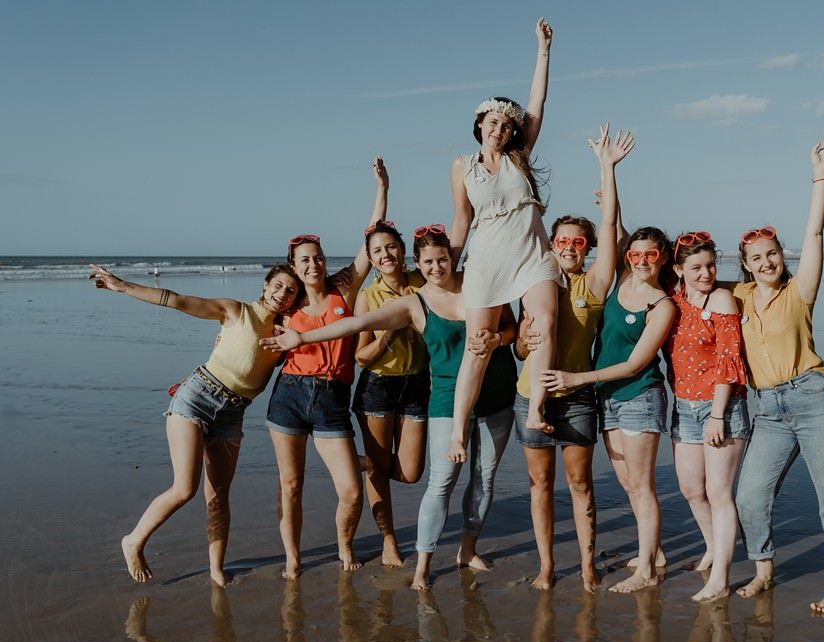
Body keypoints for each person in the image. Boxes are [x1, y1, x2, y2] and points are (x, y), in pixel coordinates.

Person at [260, 228, 517, 591]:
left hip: (474, 394)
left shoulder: (474, 285)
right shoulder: (411, 300)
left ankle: (467, 549)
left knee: (473, 477)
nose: (436, 266)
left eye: (442, 259)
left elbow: (510, 324)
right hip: (422, 394)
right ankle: (418, 563)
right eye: (428, 261)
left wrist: (500, 338)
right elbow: (357, 324)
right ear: (419, 264)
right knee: (439, 481)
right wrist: (301, 337)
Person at [88, 263, 302, 586]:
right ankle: (133, 541)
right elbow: (177, 300)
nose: (282, 294)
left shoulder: (284, 334)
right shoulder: (235, 310)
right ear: (265, 284)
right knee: (185, 488)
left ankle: (216, 569)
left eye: (290, 291)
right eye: (278, 285)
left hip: (233, 413)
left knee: (219, 495)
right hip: (196, 398)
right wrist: (123, 286)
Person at [732, 136, 824, 614]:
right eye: (757, 258)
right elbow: (687, 274)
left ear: (781, 256)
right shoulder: (737, 297)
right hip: (767, 408)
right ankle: (763, 570)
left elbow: (815, 234)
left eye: (772, 254)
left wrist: (819, 175)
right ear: (745, 266)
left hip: (815, 398)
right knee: (750, 496)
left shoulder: (800, 289)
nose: (767, 262)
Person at [514, 124, 633, 591]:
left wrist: (607, 167)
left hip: (578, 397)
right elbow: (520, 348)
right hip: (531, 396)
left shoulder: (595, 284)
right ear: (551, 245)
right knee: (540, 485)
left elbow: (611, 226)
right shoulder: (534, 283)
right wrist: (523, 341)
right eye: (561, 241)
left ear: (588, 248)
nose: (568, 247)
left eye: (577, 242)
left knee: (580, 483)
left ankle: (586, 565)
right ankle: (546, 566)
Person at [265, 157, 387, 578]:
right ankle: (292, 557)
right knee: (290, 485)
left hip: (333, 398)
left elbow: (371, 240)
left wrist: (382, 190)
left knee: (351, 492)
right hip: (289, 396)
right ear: (293, 267)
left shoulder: (343, 289)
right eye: (304, 261)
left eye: (317, 258)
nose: (312, 265)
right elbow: (244, 329)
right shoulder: (286, 305)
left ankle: (344, 544)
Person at [447, 17, 561, 461]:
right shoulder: (462, 166)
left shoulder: (520, 157)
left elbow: (537, 102)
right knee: (477, 347)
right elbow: (461, 221)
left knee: (544, 323)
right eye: (493, 122)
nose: (500, 130)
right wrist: (447, 271)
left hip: (532, 256)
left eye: (507, 126)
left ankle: (536, 410)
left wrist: (543, 50)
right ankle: (458, 432)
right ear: (480, 124)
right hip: (487, 260)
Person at [541, 227, 677, 593]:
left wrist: (577, 379)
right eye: (636, 254)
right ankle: (655, 553)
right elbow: (614, 229)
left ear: (663, 257)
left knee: (643, 486)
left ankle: (646, 571)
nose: (642, 261)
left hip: (639, 396)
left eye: (651, 255)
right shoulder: (622, 279)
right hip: (608, 398)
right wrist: (608, 191)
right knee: (628, 483)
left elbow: (634, 365)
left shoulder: (662, 305)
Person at [666, 231, 749, 602]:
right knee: (691, 490)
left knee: (718, 492)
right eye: (697, 267)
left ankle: (721, 579)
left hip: (721, 407)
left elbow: (728, 361)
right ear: (678, 270)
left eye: (711, 265)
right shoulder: (673, 301)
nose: (706, 273)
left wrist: (717, 416)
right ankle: (714, 548)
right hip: (683, 406)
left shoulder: (722, 300)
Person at [352, 220, 429, 567]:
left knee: (410, 472)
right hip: (378, 387)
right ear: (370, 259)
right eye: (377, 251)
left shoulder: (422, 283)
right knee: (379, 471)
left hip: (417, 384)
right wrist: (388, 334)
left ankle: (353, 462)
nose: (386, 255)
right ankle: (389, 541)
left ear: (403, 250)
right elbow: (360, 357)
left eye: (391, 247)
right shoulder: (368, 297)